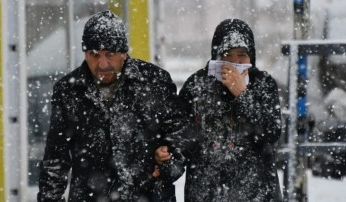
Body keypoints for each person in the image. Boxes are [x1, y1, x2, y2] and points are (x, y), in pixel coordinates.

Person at [37, 10, 190, 202]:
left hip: (150, 195)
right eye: (94, 54)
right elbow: (56, 159)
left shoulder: (155, 82)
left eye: (109, 54)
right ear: (85, 53)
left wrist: (168, 164)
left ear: (124, 53)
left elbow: (180, 136)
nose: (102, 64)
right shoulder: (68, 91)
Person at [158, 19, 283, 201]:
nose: (234, 62)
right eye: (227, 54)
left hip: (257, 194)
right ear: (216, 55)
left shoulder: (263, 84)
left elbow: (271, 132)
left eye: (242, 55)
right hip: (206, 193)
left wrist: (243, 95)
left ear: (251, 57)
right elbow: (181, 139)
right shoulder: (196, 85)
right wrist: (168, 158)